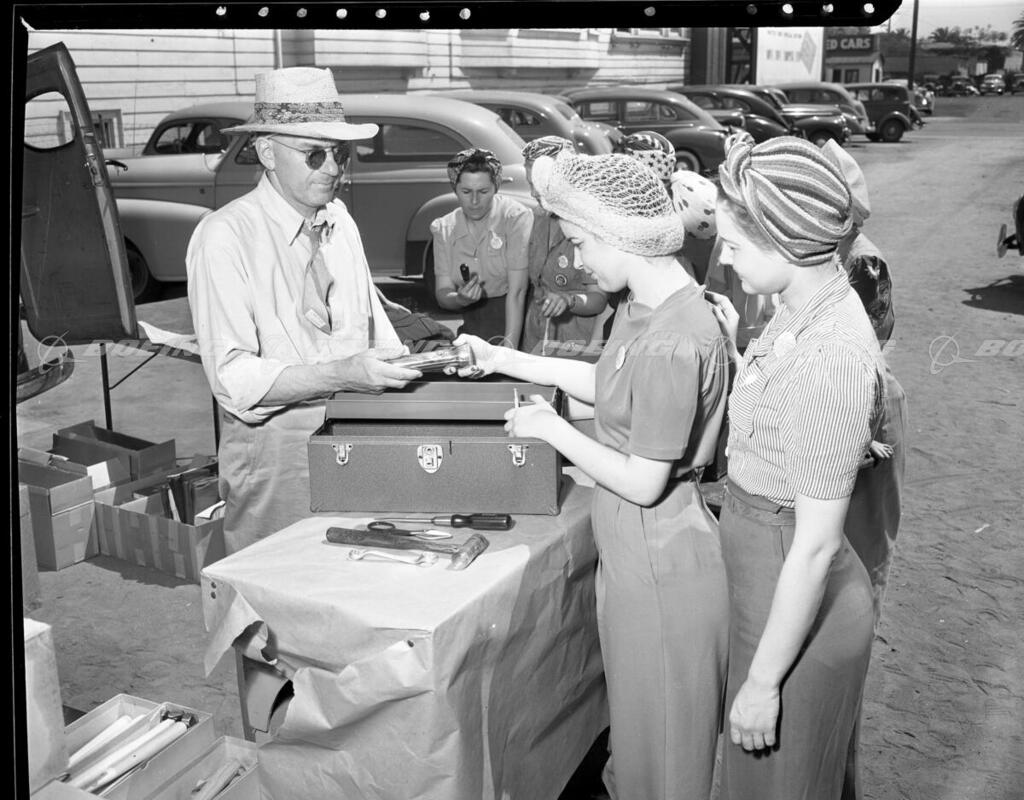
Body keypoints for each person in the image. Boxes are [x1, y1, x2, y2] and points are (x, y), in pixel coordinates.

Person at [453, 151, 729, 800]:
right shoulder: (645, 308)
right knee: (633, 754)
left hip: (662, 566)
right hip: (634, 558)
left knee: (663, 766)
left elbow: (643, 481)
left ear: (617, 235)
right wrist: (503, 359)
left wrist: (553, 431)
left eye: (580, 242)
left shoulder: (673, 337)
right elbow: (607, 382)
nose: (576, 260)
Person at [704, 132, 884, 799]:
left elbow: (815, 546)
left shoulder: (830, 355)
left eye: (733, 245)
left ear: (785, 243)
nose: (723, 256)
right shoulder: (801, 304)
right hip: (769, 582)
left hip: (793, 590)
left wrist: (762, 683)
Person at [186, 66, 421, 553]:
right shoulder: (225, 237)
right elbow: (233, 380)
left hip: (354, 434)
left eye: (340, 153)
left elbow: (374, 330)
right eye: (314, 154)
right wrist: (343, 373)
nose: (333, 169)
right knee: (275, 580)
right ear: (267, 153)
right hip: (275, 453)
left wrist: (425, 363)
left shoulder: (340, 221)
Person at [430, 148, 532, 347]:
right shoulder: (443, 228)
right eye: (466, 192)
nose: (475, 201)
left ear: (496, 187)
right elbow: (443, 293)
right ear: (454, 189)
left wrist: (508, 351)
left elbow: (518, 293)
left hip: (517, 325)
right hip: (474, 326)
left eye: (483, 192)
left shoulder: (515, 218)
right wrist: (460, 299)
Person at [519, 136, 608, 356]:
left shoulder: (588, 224)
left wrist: (569, 300)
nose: (533, 193)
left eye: (539, 184)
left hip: (575, 343)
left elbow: (598, 299)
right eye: (530, 184)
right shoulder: (538, 217)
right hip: (536, 336)